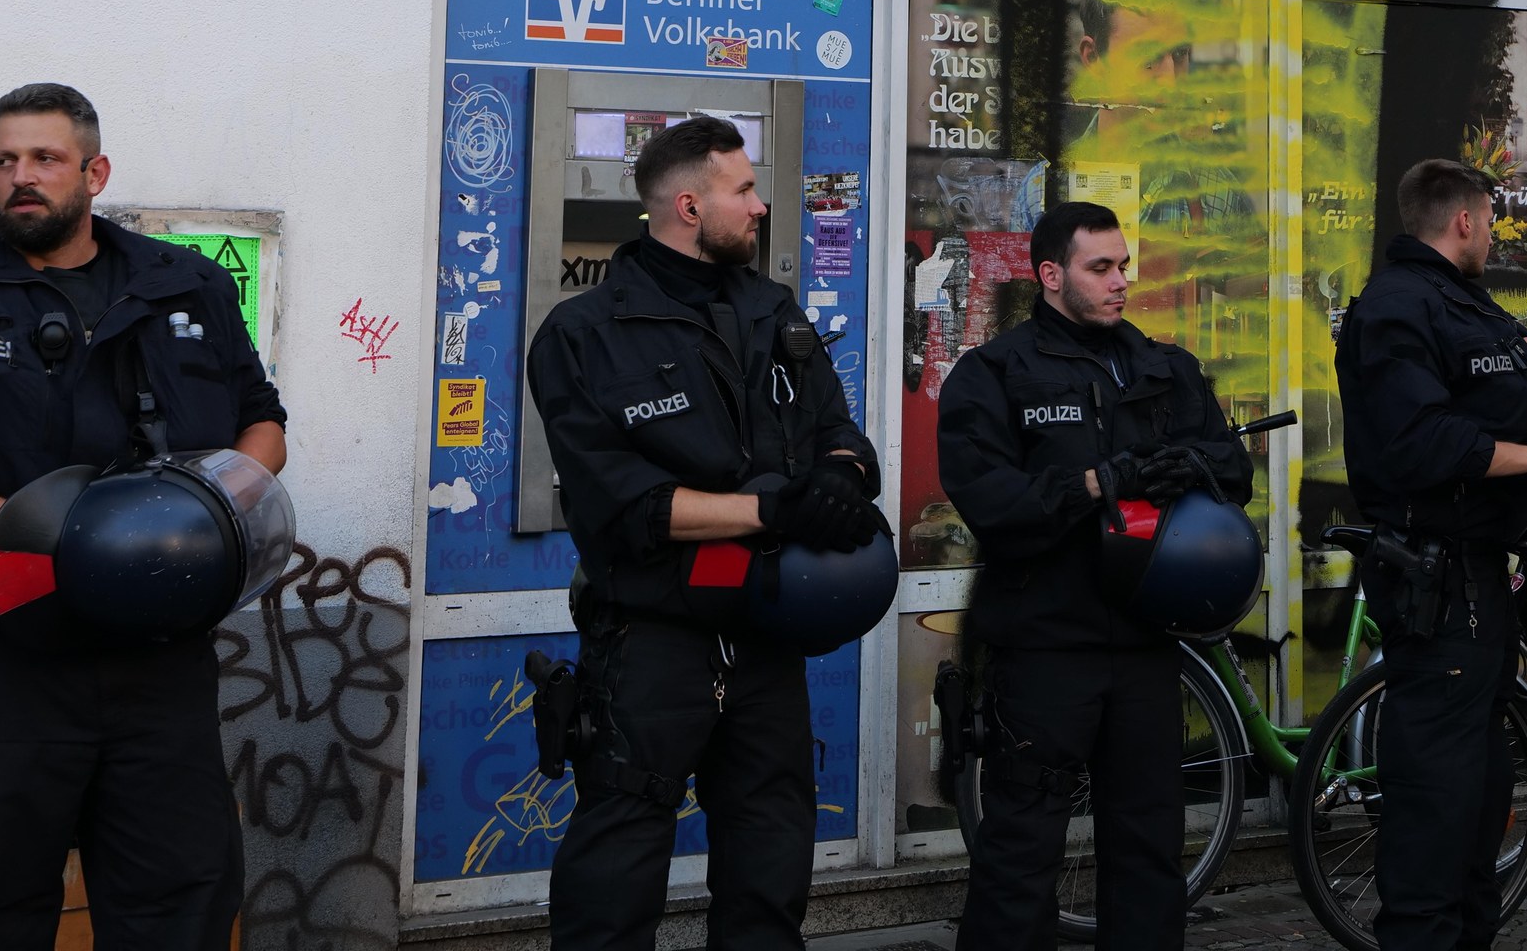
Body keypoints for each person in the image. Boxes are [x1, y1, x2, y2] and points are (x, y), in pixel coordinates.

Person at [0, 83, 287, 951]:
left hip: (163, 672)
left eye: (44, 159)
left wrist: (215, 503)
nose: (21, 178)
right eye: (5, 161)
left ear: (94, 171)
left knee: (180, 909)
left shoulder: (184, 286)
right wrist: (56, 537)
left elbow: (261, 423)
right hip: (8, 666)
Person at [528, 115, 882, 951]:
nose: (760, 207)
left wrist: (840, 476)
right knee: (613, 884)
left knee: (770, 872)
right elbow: (625, 507)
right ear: (690, 205)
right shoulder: (583, 336)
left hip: (767, 641)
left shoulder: (772, 312)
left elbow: (843, 434)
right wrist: (770, 511)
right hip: (652, 641)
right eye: (745, 190)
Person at [936, 200, 1254, 951]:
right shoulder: (995, 373)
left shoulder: (1163, 367)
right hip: (1045, 647)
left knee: (1148, 854)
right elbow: (993, 504)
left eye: (1123, 267)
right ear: (1051, 275)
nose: (1120, 282)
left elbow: (1234, 469)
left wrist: (1196, 469)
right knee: (1021, 854)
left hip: (1146, 646)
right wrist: (1091, 485)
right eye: (1100, 268)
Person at [1333, 158, 1527, 951]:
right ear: (1465, 220)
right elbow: (1422, 441)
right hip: (1436, 583)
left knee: (1479, 804)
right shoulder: (1397, 309)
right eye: (1491, 219)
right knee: (1434, 817)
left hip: (1484, 586)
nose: (1495, 232)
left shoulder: (1471, 305)